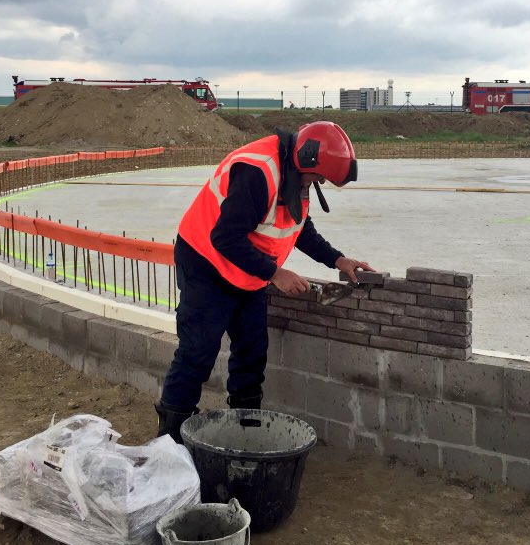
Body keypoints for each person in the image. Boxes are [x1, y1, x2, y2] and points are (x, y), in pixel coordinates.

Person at [155, 121, 374, 441]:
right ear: (305, 161)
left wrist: (337, 259)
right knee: (198, 351)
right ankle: (170, 439)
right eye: (318, 177)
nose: (319, 183)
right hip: (206, 263)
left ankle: (245, 432)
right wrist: (276, 274)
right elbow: (225, 238)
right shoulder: (257, 172)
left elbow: (298, 225)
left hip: (249, 269)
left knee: (252, 353)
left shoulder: (296, 173)